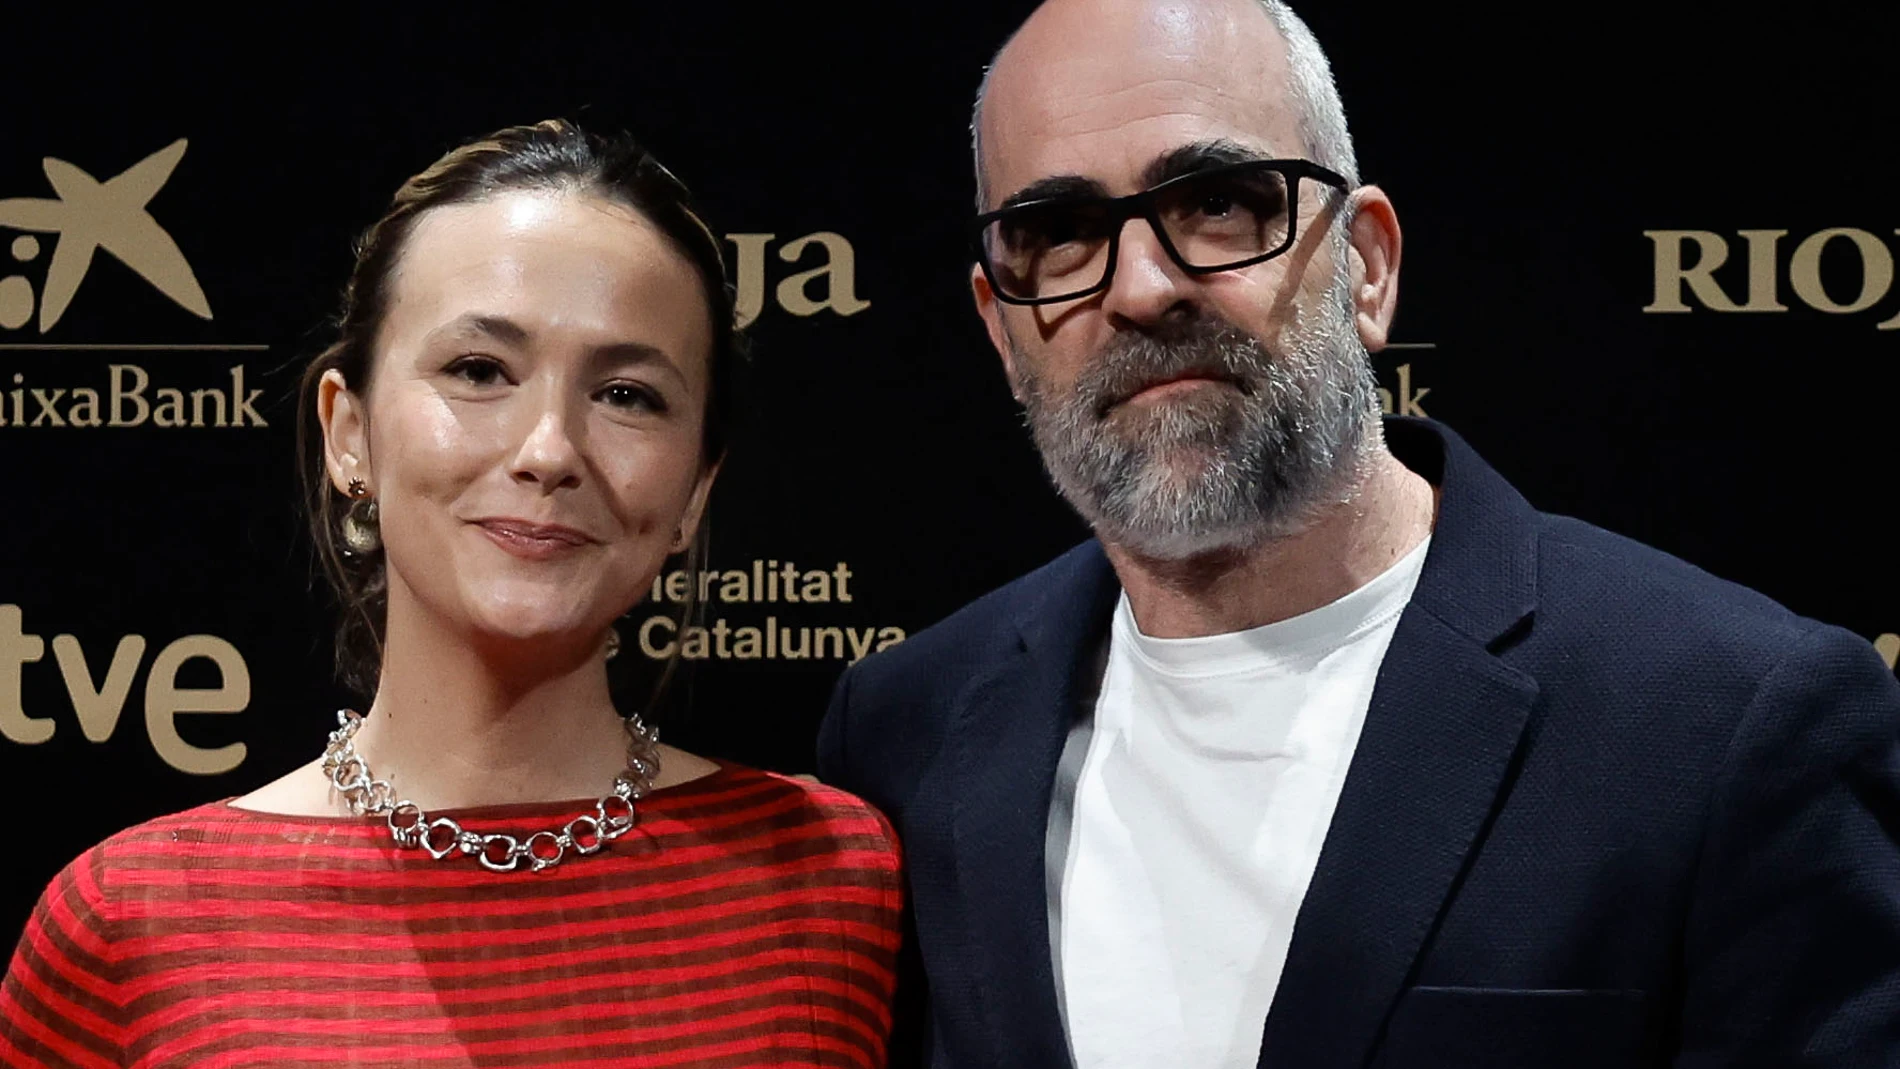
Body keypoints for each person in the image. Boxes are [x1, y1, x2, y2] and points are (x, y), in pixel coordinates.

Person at [817, 2, 1900, 1067]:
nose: (1142, 289)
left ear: (1368, 266)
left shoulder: (1725, 719)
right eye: (1057, 235)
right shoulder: (906, 729)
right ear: (1000, 329)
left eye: (1220, 204)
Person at [1, 120, 901, 1069]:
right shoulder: (131, 921)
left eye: (629, 394)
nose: (549, 449)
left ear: (696, 491)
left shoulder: (835, 884)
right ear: (350, 433)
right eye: (479, 371)